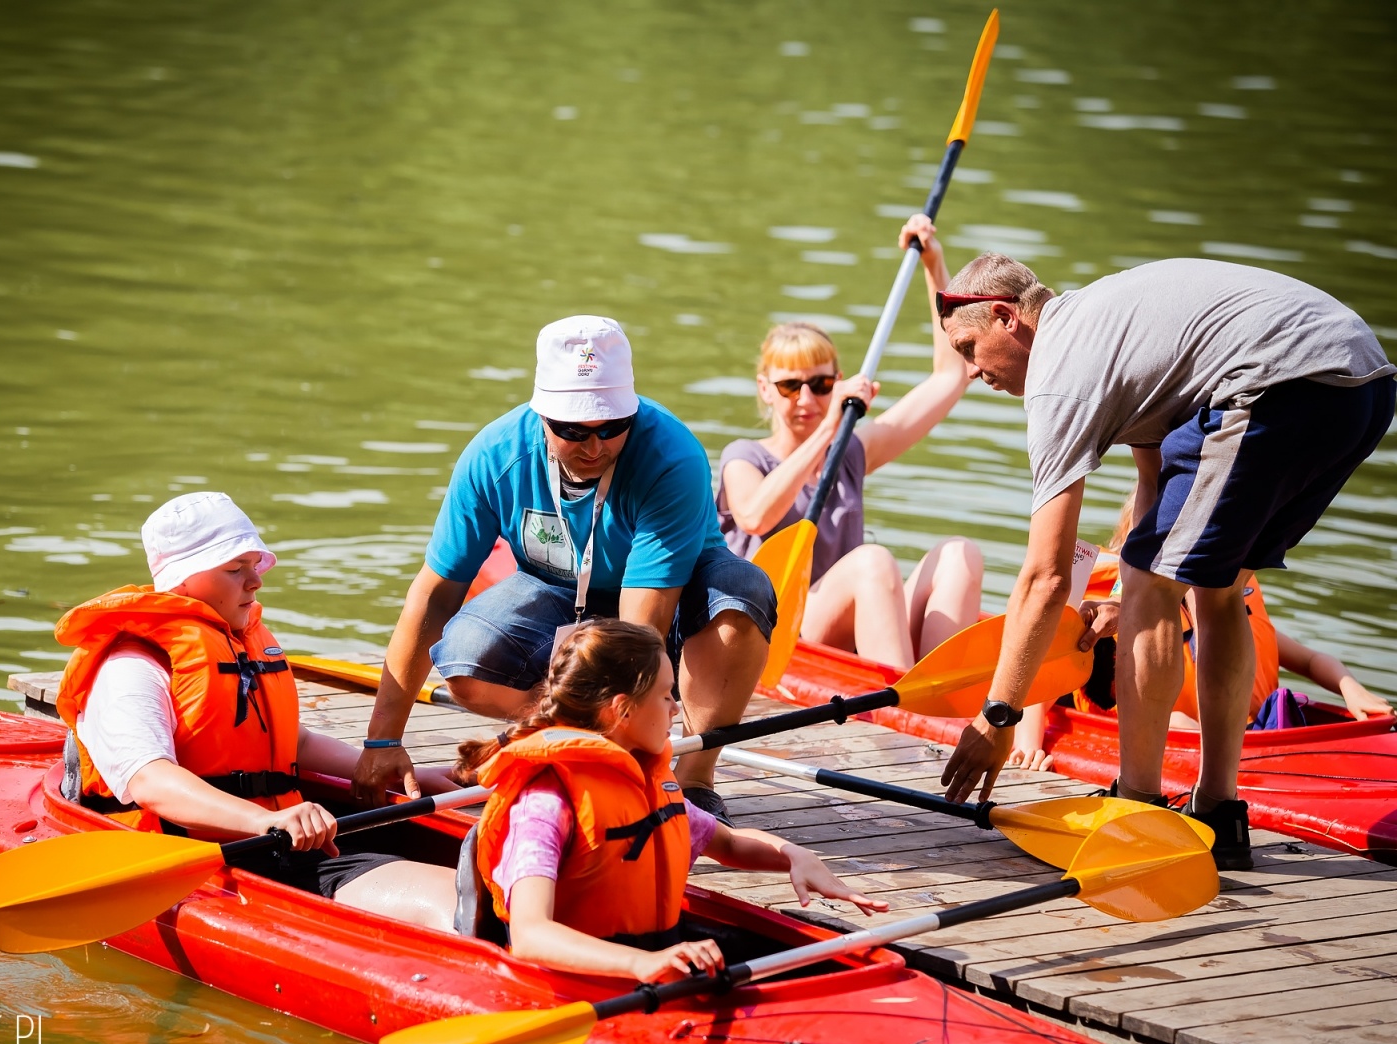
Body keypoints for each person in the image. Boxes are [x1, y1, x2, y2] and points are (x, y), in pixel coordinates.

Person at [934, 254, 1395, 870]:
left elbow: (1045, 577)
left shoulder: (1058, 372)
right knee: (1218, 586)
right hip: (1364, 386)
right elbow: (1155, 482)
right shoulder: (1115, 335)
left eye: (969, 348)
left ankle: (1138, 808)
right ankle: (1219, 816)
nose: (969, 371)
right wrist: (1129, 598)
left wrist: (998, 717)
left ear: (1005, 317)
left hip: (1279, 384)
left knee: (1149, 583)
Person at [356, 316, 778, 824]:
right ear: (540, 414)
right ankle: (558, 735)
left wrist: (620, 755)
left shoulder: (671, 455)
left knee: (743, 590)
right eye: (574, 430)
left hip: (673, 594)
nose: (595, 447)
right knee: (463, 660)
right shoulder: (493, 456)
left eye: (612, 427)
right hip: (555, 587)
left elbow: (640, 629)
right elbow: (434, 597)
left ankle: (691, 780)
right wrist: (383, 740)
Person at [54, 492, 459, 931]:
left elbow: (295, 743)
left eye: (255, 565)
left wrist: (388, 770)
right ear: (181, 581)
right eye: (234, 570)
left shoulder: (239, 637)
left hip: (273, 841)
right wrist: (265, 819)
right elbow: (149, 781)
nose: (255, 582)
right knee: (449, 901)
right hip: (197, 857)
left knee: (459, 890)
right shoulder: (133, 666)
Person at [456, 618, 887, 980]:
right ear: (622, 710)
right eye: (665, 695)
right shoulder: (546, 803)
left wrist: (793, 855)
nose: (676, 709)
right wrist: (642, 964)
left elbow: (730, 843)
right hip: (578, 976)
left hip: (655, 962)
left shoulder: (646, 780)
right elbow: (532, 934)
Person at [718, 215, 982, 669]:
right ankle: (899, 714)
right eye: (789, 386)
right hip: (777, 628)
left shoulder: (852, 453)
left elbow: (950, 377)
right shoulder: (743, 458)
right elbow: (755, 515)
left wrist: (934, 269)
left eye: (820, 385)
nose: (807, 399)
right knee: (873, 561)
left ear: (837, 383)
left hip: (841, 620)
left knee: (960, 554)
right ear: (765, 389)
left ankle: (941, 705)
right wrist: (829, 428)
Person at [1013, 496, 1392, 762]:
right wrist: (1029, 744)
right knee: (1176, 720)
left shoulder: (1227, 613)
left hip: (1255, 732)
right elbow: (1044, 666)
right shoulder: (1115, 609)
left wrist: (1349, 687)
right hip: (1154, 727)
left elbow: (1310, 660)